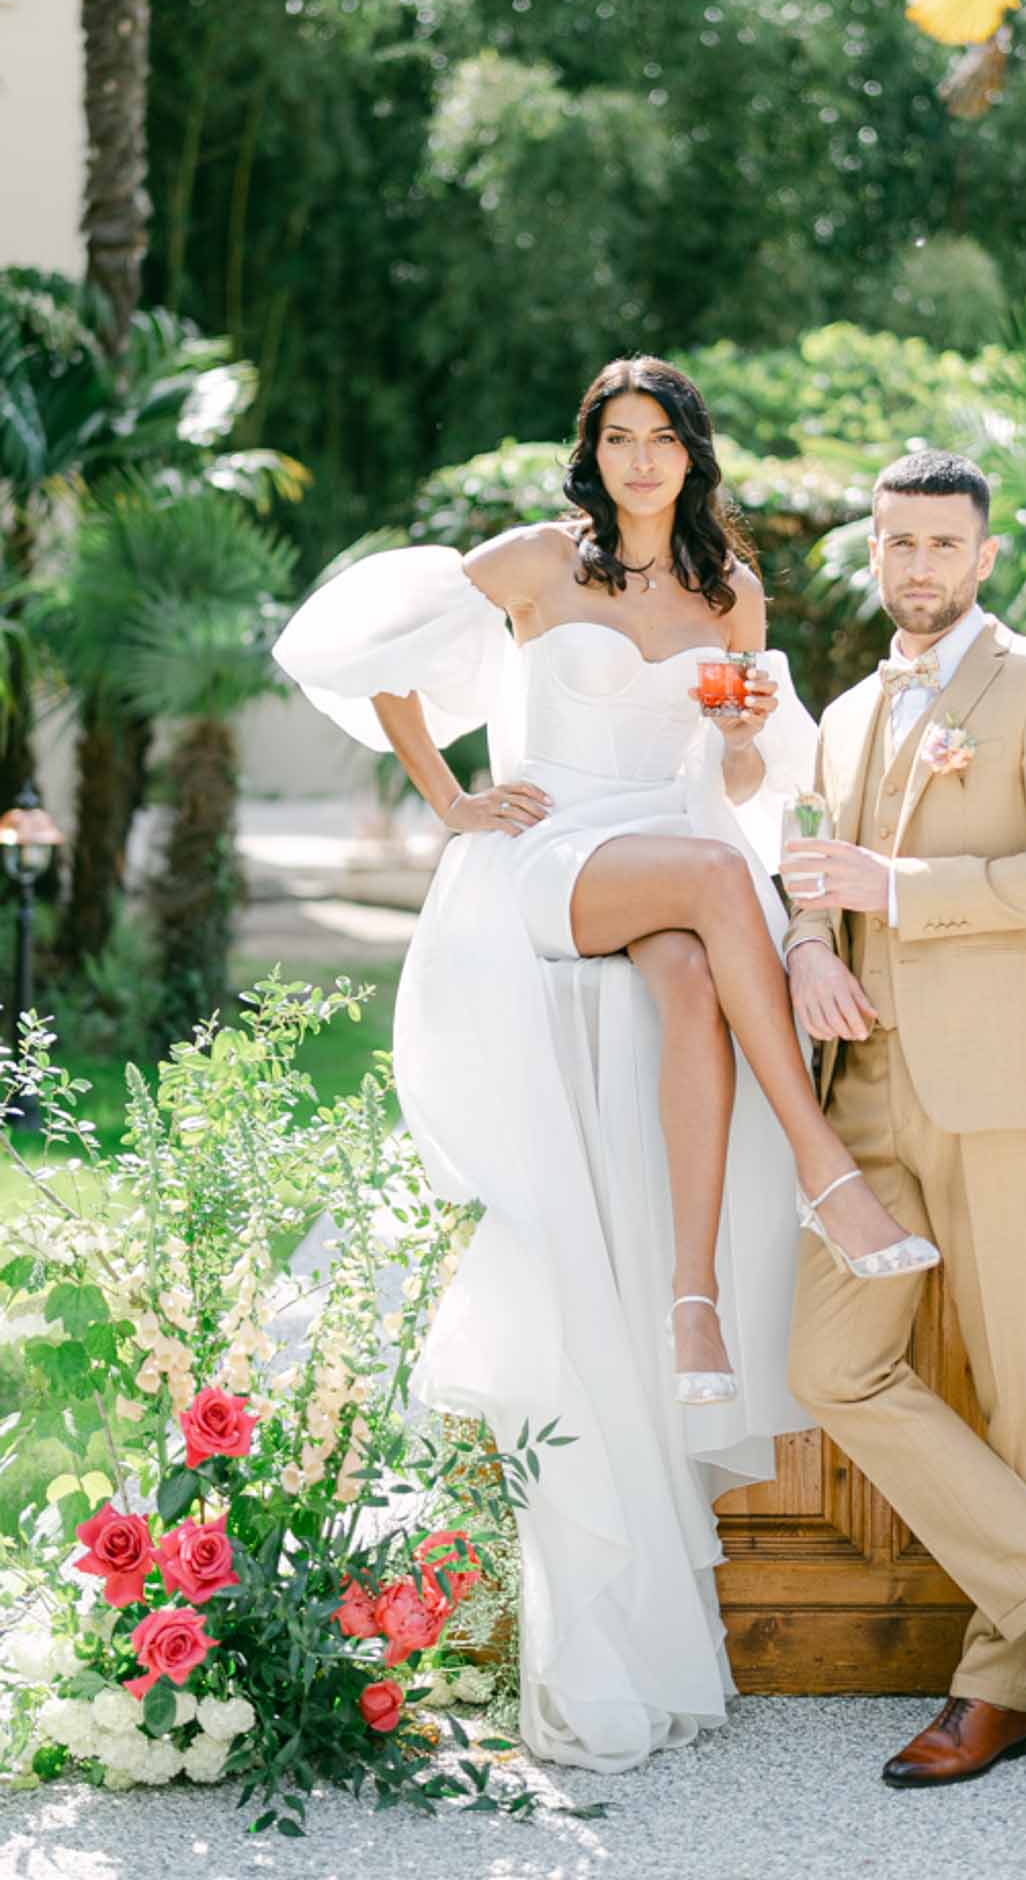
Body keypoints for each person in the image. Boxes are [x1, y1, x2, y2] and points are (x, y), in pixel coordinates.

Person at [272, 356, 935, 1774]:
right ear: (593, 454)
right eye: (617, 440)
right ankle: (824, 1171)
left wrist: (746, 738)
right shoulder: (533, 560)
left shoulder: (730, 596)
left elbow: (739, 792)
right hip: (542, 859)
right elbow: (372, 656)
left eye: (661, 440)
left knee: (698, 953)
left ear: (694, 456)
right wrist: (449, 793)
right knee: (704, 886)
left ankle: (691, 1303)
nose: (640, 461)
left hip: (667, 868)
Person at [781, 449, 1026, 1789]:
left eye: (943, 544)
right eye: (897, 544)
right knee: (830, 1368)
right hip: (862, 1094)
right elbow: (809, 855)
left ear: (983, 555)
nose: (919, 567)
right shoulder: (838, 711)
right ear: (872, 554)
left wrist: (902, 883)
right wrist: (815, 933)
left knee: (1018, 1395)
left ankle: (989, 1692)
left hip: (996, 1083)